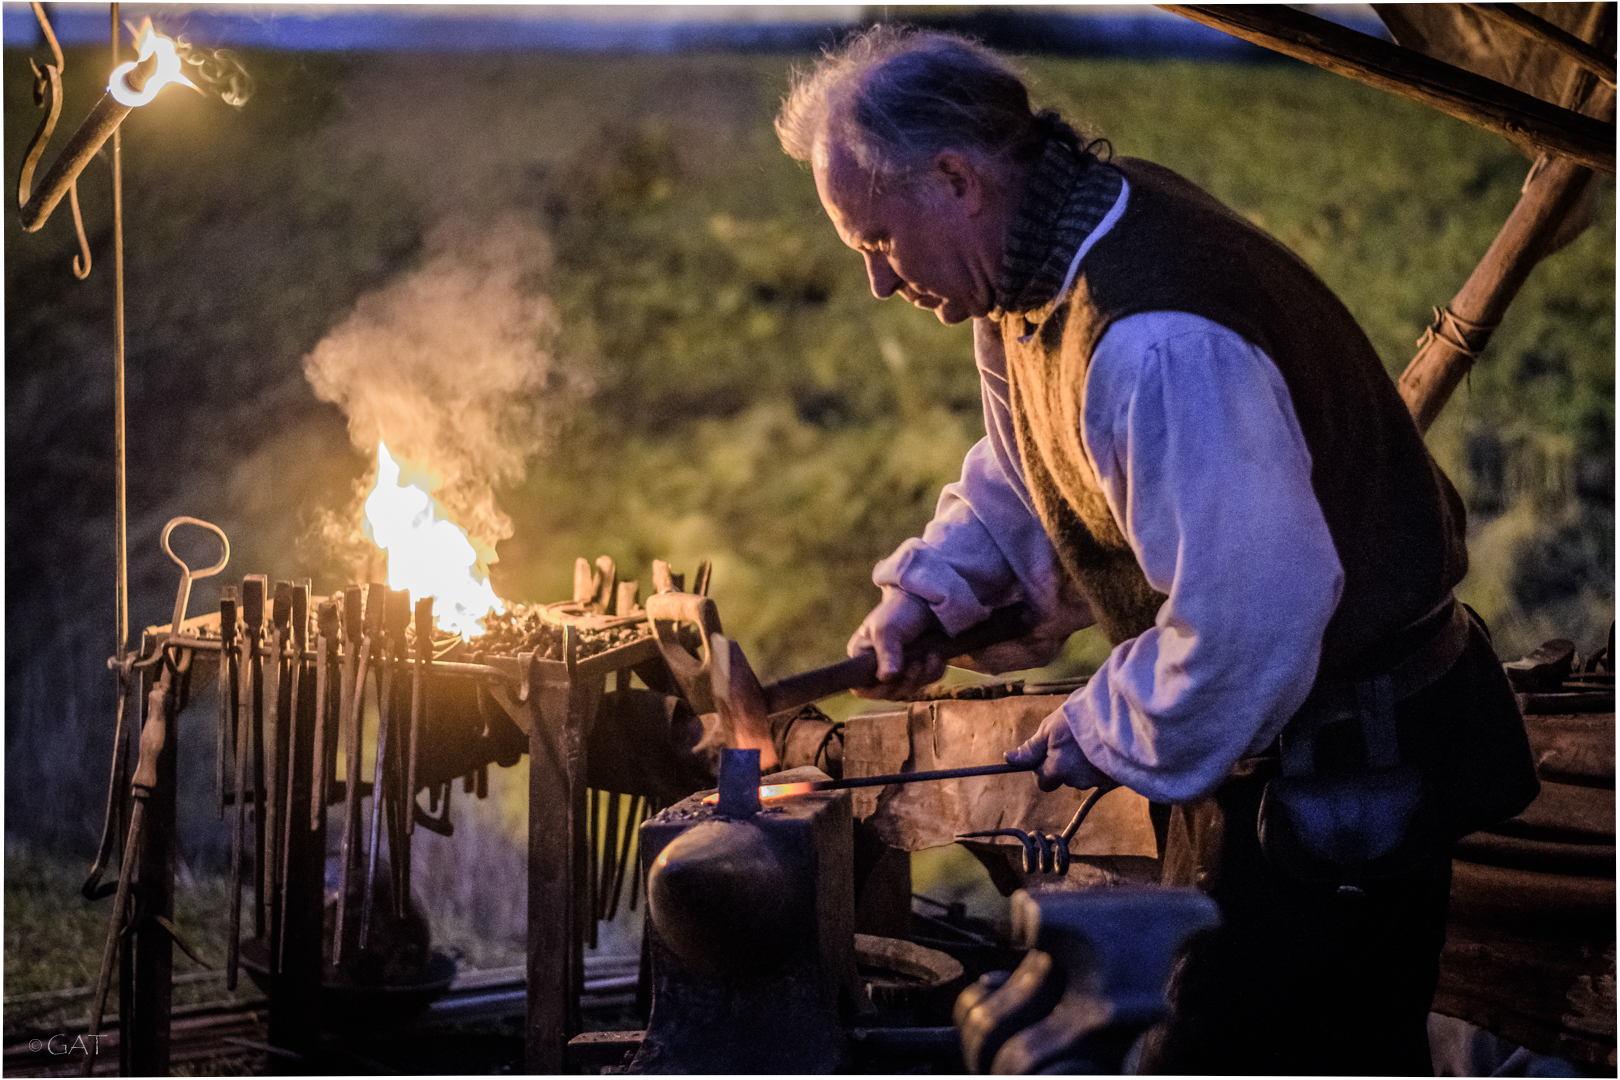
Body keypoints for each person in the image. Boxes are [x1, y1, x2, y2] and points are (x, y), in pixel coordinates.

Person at [775, 25, 1539, 1075]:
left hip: (1348, 778)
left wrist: (1108, 721)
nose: (875, 279)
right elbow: (1034, 461)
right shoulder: (1030, 267)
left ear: (955, 179)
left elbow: (1252, 618)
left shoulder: (1158, 337)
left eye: (876, 240)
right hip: (1274, 757)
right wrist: (935, 593)